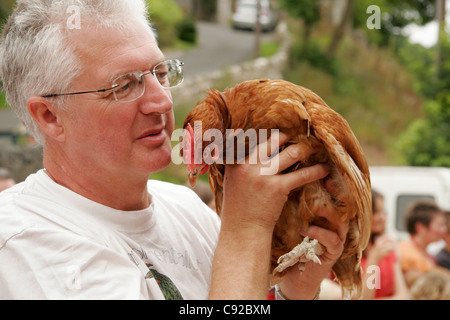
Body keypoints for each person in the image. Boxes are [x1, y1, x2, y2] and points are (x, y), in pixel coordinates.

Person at [0, 0, 346, 299]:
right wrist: (248, 229)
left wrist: (292, 293)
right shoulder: (25, 238)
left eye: (160, 73)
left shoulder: (184, 207)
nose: (161, 101)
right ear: (50, 116)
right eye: (123, 85)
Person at [360, 189, 409, 299]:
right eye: (376, 212)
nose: (383, 218)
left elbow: (403, 295)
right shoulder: (347, 252)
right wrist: (373, 261)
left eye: (384, 212)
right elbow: (364, 297)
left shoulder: (386, 247)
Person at [399, 201, 447, 287]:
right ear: (420, 227)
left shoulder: (422, 252)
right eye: (439, 225)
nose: (444, 230)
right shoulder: (406, 253)